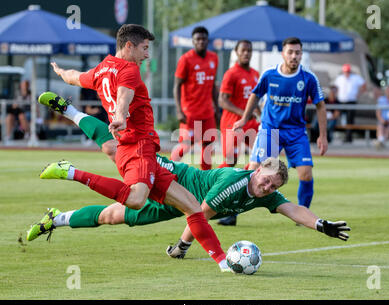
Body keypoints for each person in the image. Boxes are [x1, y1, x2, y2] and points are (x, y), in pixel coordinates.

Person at [39, 24, 227, 270]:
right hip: (138, 147)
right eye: (144, 48)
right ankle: (72, 172)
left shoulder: (102, 68)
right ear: (129, 46)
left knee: (192, 205)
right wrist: (120, 116)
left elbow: (76, 77)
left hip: (135, 147)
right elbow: (124, 97)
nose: (147, 55)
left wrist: (60, 72)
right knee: (137, 200)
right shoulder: (129, 70)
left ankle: (224, 262)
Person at [27, 155, 351, 260]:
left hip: (177, 205)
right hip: (172, 180)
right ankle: (75, 131)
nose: (268, 188)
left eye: (273, 187)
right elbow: (200, 215)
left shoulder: (264, 195)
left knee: (114, 216)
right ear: (256, 170)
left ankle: (58, 219)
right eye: (266, 180)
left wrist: (321, 224)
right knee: (120, 158)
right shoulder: (234, 183)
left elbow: (293, 209)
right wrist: (181, 247)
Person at [233, 37, 328, 215]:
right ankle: (233, 211)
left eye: (297, 53)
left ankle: (303, 213)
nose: (294, 56)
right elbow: (255, 95)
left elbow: (320, 105)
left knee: (306, 174)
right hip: (271, 130)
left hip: (296, 132)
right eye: (290, 52)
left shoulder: (308, 78)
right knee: (254, 169)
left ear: (301, 55)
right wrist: (245, 119)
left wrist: (323, 135)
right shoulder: (270, 74)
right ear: (283, 54)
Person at [216, 40, 260, 227]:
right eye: (243, 50)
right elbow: (222, 101)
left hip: (251, 125)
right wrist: (245, 114)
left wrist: (257, 113)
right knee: (230, 162)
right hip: (232, 124)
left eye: (249, 50)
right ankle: (212, 187)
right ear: (236, 52)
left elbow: (255, 99)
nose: (246, 54)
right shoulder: (231, 73)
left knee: (260, 161)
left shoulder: (255, 74)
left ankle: (235, 203)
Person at [171, 26, 219, 170]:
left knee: (208, 146)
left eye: (203, 39)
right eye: (198, 39)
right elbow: (177, 86)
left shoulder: (213, 58)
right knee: (185, 145)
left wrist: (216, 107)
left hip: (207, 112)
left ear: (207, 40)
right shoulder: (186, 59)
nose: (201, 42)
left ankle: (206, 177)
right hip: (190, 112)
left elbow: (212, 85)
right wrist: (179, 110)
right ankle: (167, 170)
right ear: (193, 41)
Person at [333, 63, 366, 143]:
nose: (347, 73)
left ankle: (348, 137)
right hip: (341, 101)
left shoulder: (355, 78)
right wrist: (336, 95)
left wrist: (358, 94)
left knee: (349, 120)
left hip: (351, 101)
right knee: (337, 117)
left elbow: (364, 85)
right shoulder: (340, 78)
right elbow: (334, 87)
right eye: (345, 71)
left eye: (348, 71)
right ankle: (334, 135)